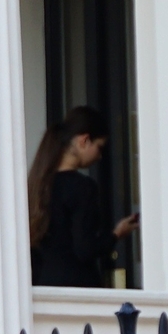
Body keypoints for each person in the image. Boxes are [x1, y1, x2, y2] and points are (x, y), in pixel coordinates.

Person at [28, 106, 138, 287]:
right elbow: (85, 249)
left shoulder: (37, 185)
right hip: (77, 286)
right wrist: (116, 234)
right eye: (99, 147)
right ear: (84, 141)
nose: (100, 156)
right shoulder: (82, 187)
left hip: (43, 286)